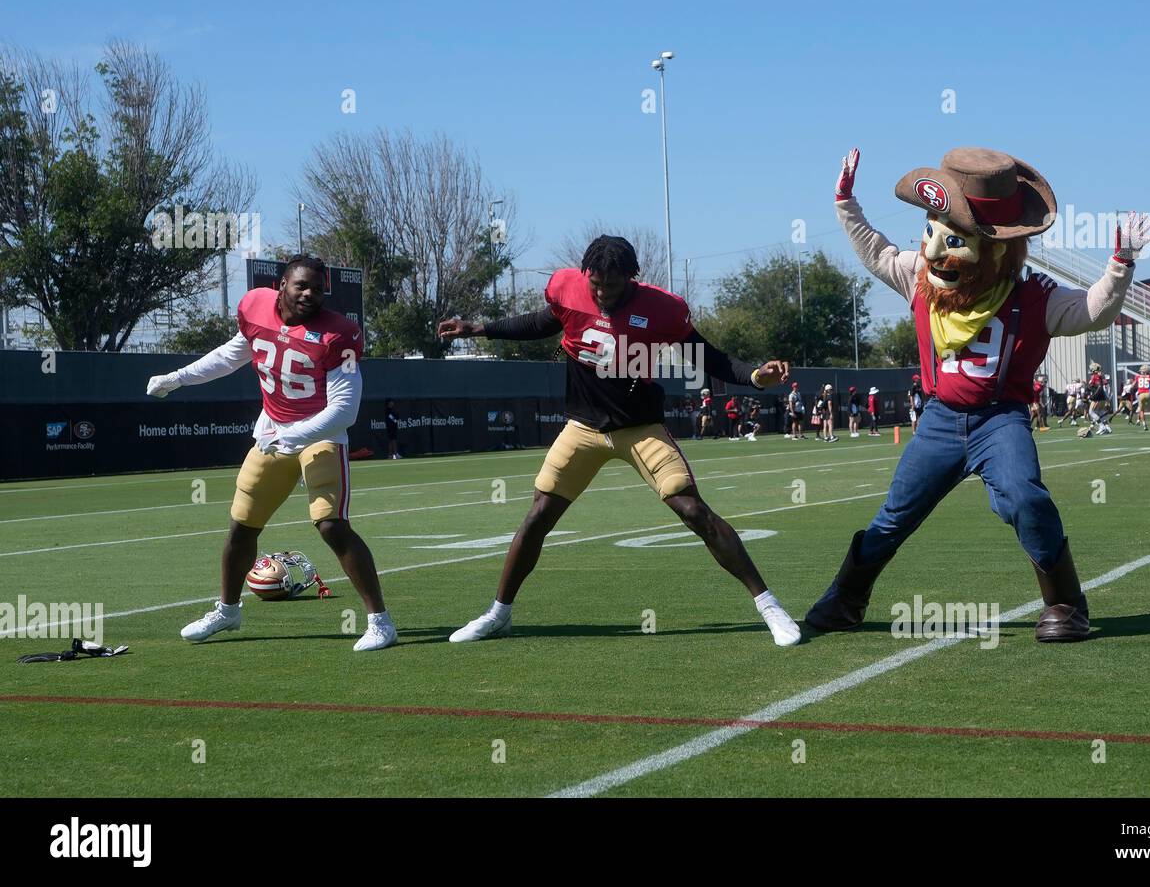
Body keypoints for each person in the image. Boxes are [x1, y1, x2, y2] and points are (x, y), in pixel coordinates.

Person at [807, 145, 1150, 643]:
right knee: (895, 514)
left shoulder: (1033, 295)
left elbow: (1091, 311)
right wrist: (846, 202)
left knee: (1024, 497)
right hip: (939, 419)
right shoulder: (919, 276)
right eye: (931, 231)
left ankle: (1066, 603)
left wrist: (1120, 264)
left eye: (954, 239)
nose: (933, 251)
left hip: (1000, 420)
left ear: (996, 248)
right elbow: (876, 250)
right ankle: (847, 598)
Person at [436, 235, 801, 647]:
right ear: (585, 274)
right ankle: (498, 613)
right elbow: (542, 322)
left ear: (632, 277)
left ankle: (769, 606)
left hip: (638, 429)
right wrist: (480, 328)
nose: (602, 292)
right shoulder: (568, 288)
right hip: (583, 428)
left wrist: (755, 376)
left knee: (692, 509)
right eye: (596, 283)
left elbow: (709, 358)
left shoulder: (662, 310)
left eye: (611, 284)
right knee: (538, 514)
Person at [146, 255, 397, 652]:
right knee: (241, 526)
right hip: (273, 431)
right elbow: (231, 355)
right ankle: (228, 611)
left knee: (331, 524)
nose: (310, 294)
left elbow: (344, 411)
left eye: (317, 287)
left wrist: (295, 434)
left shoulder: (340, 334)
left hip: (320, 433)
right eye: (301, 285)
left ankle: (380, 622)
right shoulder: (255, 306)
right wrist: (179, 378)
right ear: (283, 284)